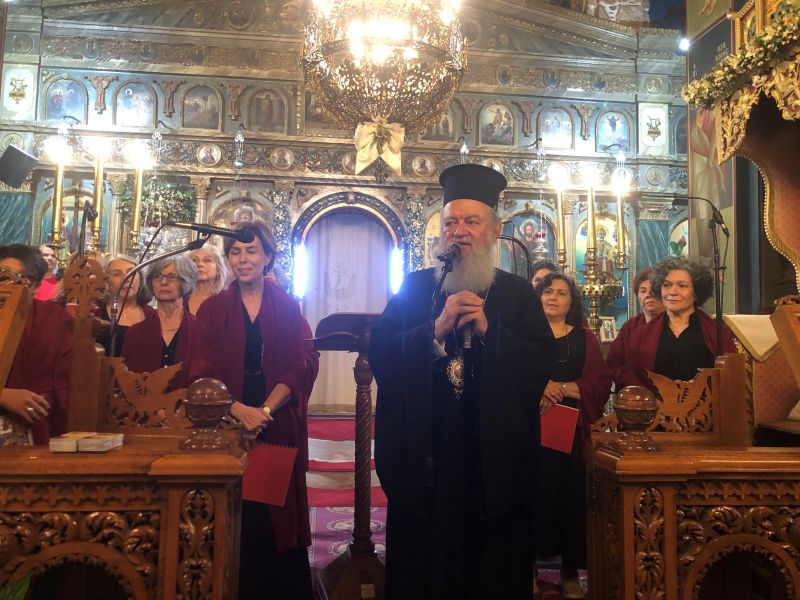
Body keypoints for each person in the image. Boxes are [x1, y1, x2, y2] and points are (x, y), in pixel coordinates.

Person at [370, 163, 554, 599]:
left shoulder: (517, 294)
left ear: (495, 231)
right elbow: (382, 353)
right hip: (427, 459)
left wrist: (489, 330)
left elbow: (539, 362)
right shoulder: (415, 288)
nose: (460, 232)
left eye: (472, 222)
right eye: (451, 222)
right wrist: (435, 329)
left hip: (493, 461)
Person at [189, 221, 319, 600]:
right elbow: (200, 369)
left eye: (251, 251)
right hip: (225, 422)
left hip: (273, 422)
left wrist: (261, 411)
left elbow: (300, 365)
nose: (242, 259)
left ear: (267, 257)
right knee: (232, 514)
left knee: (271, 519)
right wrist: (237, 410)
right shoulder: (213, 309)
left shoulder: (288, 306)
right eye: (235, 252)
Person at [532, 273, 612, 599]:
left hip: (571, 433)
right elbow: (510, 374)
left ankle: (569, 573)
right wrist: (538, 387)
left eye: (561, 293)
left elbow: (600, 381)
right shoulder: (525, 334)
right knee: (532, 498)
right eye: (547, 291)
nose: (553, 297)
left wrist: (561, 388)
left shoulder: (584, 338)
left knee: (570, 500)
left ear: (571, 302)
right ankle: (529, 569)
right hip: (530, 430)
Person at [622, 256, 736, 387]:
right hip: (654, 400)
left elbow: (732, 379)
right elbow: (631, 375)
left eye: (682, 286)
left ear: (696, 293)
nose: (672, 292)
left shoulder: (717, 334)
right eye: (667, 285)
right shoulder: (641, 334)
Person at [0, 244, 72, 444]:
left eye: (20, 280)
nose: (9, 286)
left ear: (36, 285)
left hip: (32, 422)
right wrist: (3, 395)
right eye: (3, 277)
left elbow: (65, 381)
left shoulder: (53, 319)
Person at [121, 255, 198, 390]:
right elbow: (129, 381)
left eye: (171, 277)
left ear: (186, 281)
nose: (163, 282)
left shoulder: (199, 329)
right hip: (144, 402)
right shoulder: (136, 333)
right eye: (157, 276)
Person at [606, 268, 665, 390]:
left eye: (654, 290)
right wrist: (632, 383)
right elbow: (613, 362)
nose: (648, 295)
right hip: (631, 393)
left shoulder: (673, 325)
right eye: (643, 291)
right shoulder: (630, 326)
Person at [97, 255, 154, 358]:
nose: (126, 278)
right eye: (117, 274)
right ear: (106, 282)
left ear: (140, 281)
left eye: (131, 272)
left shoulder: (153, 316)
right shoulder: (95, 312)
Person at [187, 244, 227, 316]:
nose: (200, 264)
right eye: (194, 260)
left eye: (207, 260)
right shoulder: (181, 298)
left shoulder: (227, 299)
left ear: (218, 269)